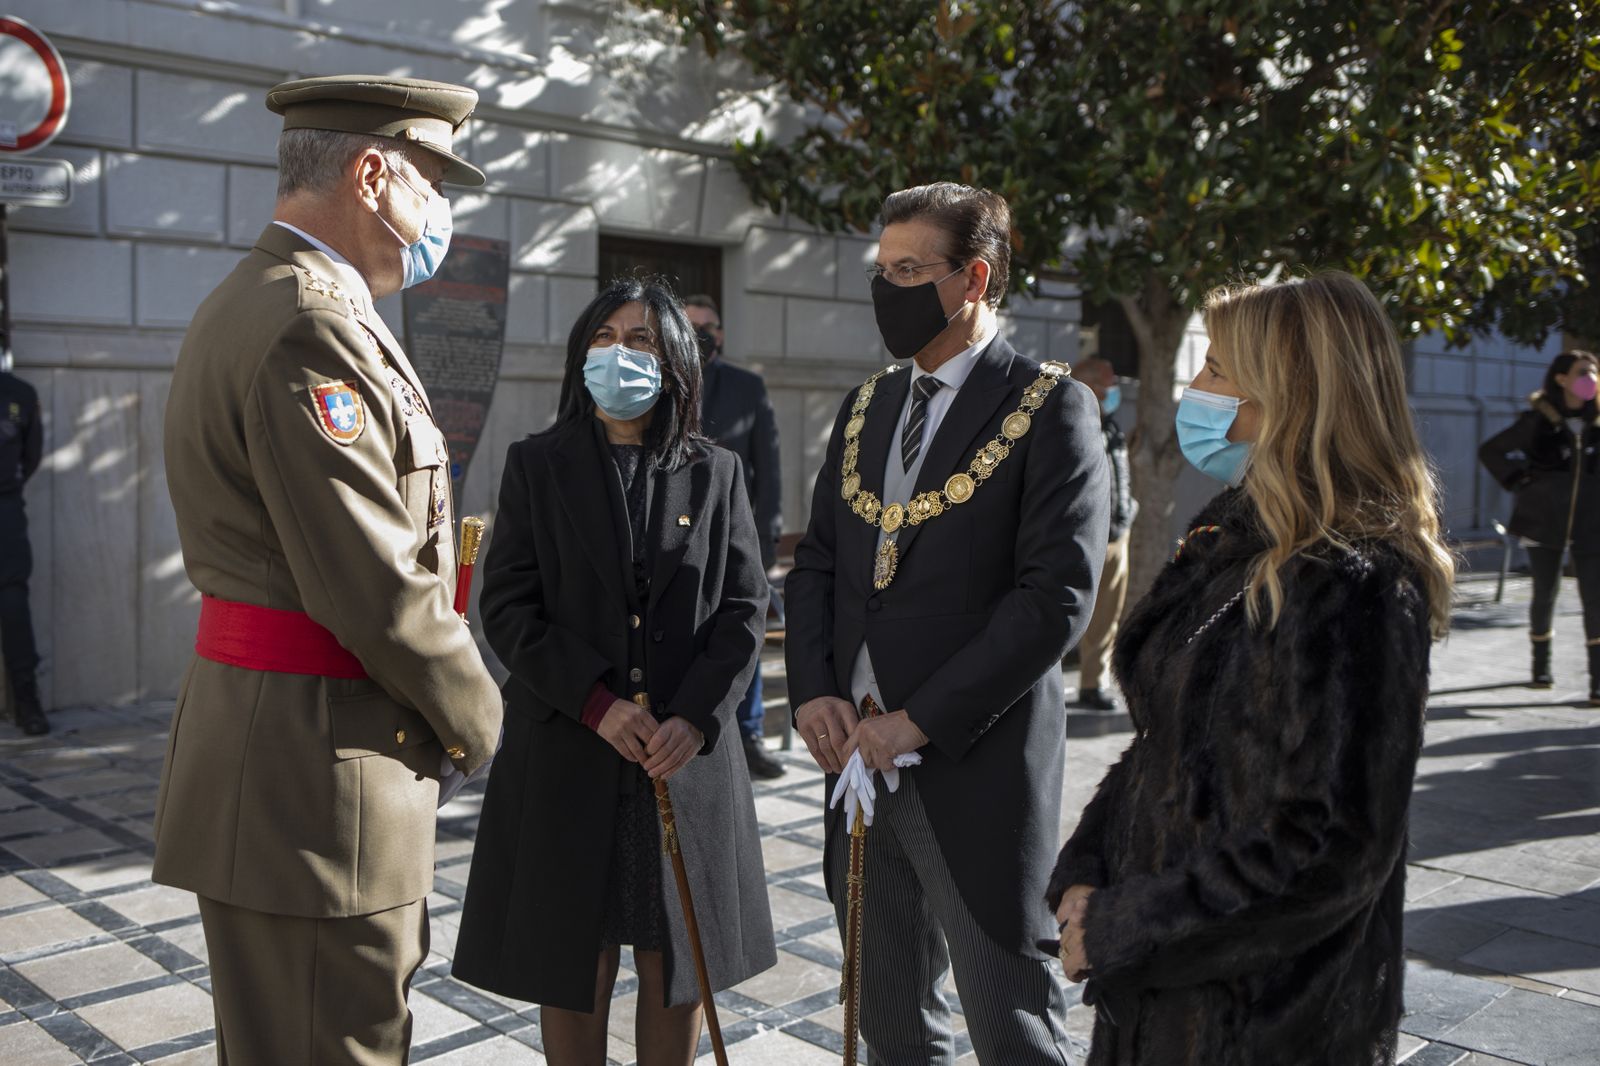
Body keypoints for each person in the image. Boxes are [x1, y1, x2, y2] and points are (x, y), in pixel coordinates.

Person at [152, 75, 504, 1065]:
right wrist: (485, 723)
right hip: (319, 777)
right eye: (433, 183)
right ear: (372, 171)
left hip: (290, 758)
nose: (440, 213)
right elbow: (378, 585)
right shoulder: (311, 322)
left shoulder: (268, 299)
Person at [1048, 271, 1454, 1066]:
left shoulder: (1354, 583)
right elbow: (1165, 741)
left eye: (1217, 370)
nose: (1194, 389)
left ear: (1290, 394)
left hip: (1265, 1022)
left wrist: (1125, 924)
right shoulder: (1232, 540)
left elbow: (1330, 846)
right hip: (1158, 996)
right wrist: (1087, 872)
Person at [785, 181, 1109, 1063]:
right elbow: (819, 563)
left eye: (908, 269)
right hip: (855, 753)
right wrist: (815, 688)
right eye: (880, 269)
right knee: (887, 1011)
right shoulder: (867, 407)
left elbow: (1054, 601)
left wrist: (918, 719)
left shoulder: (1051, 405)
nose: (886, 289)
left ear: (973, 278)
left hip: (974, 760)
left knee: (1009, 1020)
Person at [452, 278, 776, 1066]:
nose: (618, 355)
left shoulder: (716, 469)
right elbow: (510, 607)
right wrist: (596, 703)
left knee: (676, 966)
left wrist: (694, 718)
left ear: (675, 363)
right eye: (604, 338)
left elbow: (743, 608)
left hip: (680, 758)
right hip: (571, 748)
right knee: (575, 961)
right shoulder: (538, 464)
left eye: (639, 341)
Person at [683, 292, 787, 779]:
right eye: (691, 325)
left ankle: (748, 736)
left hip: (737, 540)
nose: (702, 333)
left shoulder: (748, 387)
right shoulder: (664, 380)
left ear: (720, 334)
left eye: (709, 326)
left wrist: (765, 542)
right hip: (677, 543)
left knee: (743, 632)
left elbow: (769, 471)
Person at [1479, 349, 1600, 700]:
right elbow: (1491, 451)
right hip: (1544, 521)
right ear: (1562, 379)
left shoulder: (1597, 423)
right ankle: (1541, 668)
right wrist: (1522, 482)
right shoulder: (1538, 421)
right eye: (1582, 373)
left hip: (1592, 524)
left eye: (1593, 373)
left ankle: (1597, 682)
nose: (1590, 380)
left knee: (1595, 599)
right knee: (1545, 593)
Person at [1068, 357, 1137, 713]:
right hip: (1087, 537)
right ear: (1090, 386)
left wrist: (1127, 512)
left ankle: (1093, 685)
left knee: (1107, 617)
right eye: (1108, 385)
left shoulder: (1109, 426)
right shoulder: (1073, 424)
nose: (1114, 391)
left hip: (1117, 533)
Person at [0, 367, 46, 735]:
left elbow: (30, 457)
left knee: (13, 602)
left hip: (5, 510)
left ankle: (27, 700)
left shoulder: (20, 394)